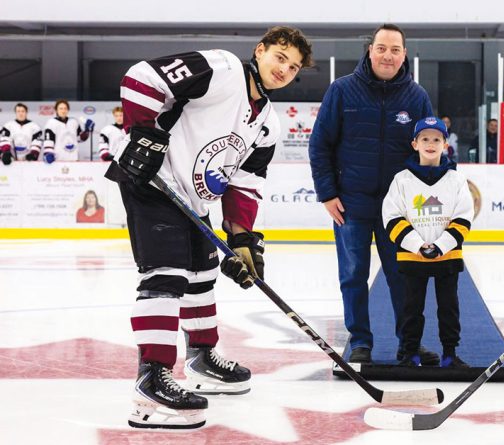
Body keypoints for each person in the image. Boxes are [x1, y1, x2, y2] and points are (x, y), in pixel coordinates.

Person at [106, 26, 313, 429]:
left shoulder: (267, 123)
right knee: (165, 275)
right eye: (280, 57)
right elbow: (142, 78)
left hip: (193, 199)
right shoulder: (222, 68)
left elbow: (245, 184)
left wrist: (242, 241)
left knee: (201, 275)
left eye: (294, 67)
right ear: (261, 51)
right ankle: (151, 380)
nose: (284, 69)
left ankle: (201, 359)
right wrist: (144, 132)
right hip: (154, 183)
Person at [309, 23, 438, 365]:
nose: (388, 55)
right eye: (381, 48)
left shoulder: (416, 96)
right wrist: (327, 193)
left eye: (395, 49)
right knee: (353, 274)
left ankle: (408, 343)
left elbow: (428, 150)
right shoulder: (342, 91)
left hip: (399, 208)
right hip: (351, 203)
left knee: (404, 276)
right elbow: (320, 144)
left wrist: (426, 197)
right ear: (370, 50)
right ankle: (361, 340)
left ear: (404, 55)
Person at [382, 117, 473, 368]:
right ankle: (410, 354)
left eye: (436, 139)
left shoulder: (456, 180)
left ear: (445, 144)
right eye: (425, 139)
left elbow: (464, 217)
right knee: (411, 309)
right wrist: (417, 245)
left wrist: (442, 245)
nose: (430, 144)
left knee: (449, 309)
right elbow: (392, 217)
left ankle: (449, 355)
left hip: (448, 256)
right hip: (412, 257)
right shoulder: (402, 179)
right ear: (414, 144)